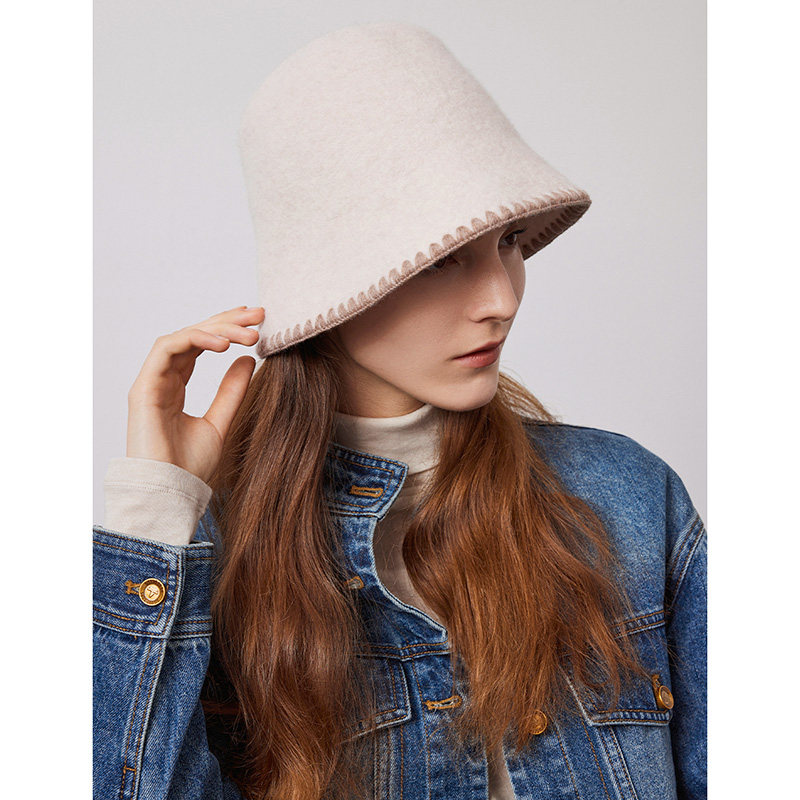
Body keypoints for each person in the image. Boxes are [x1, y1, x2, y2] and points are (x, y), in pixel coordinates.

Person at [93, 22, 706, 800]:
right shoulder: (223, 551)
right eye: (444, 259)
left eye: (509, 242)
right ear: (332, 289)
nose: (502, 297)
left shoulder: (629, 500)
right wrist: (155, 514)